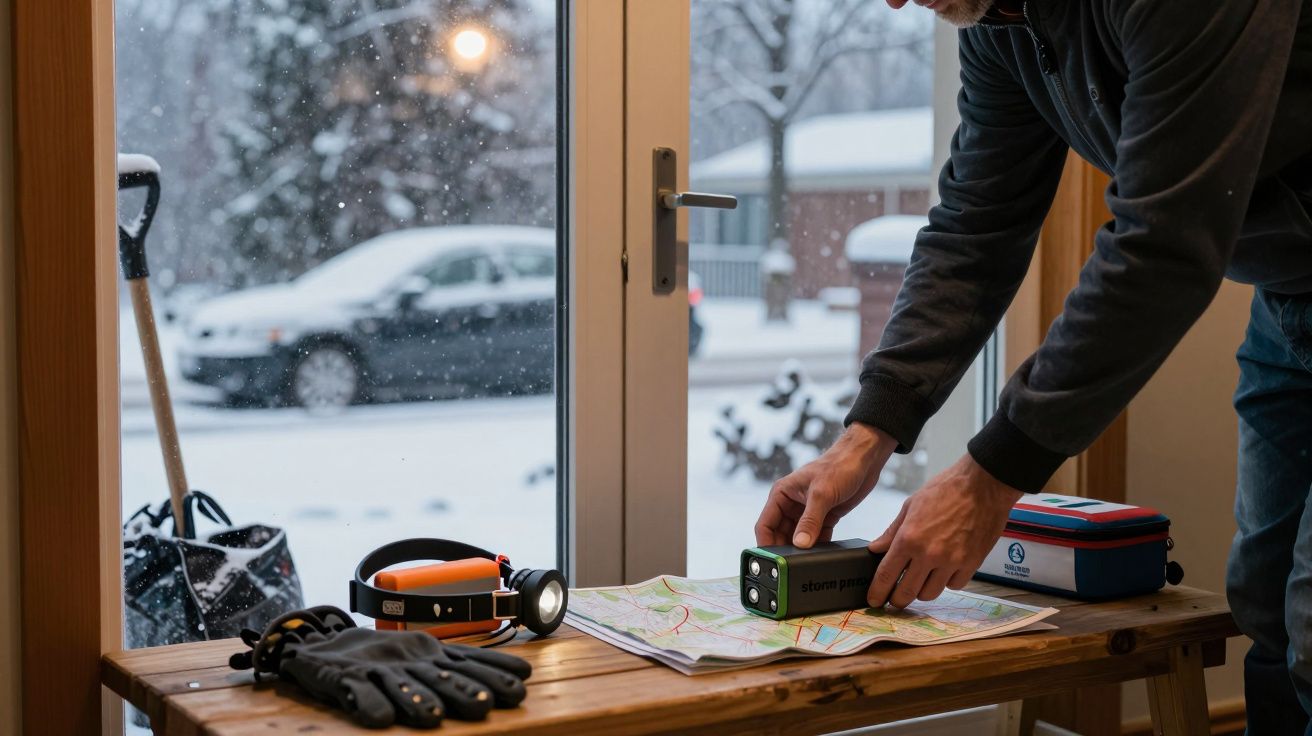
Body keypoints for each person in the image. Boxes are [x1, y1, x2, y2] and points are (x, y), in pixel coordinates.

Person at [753, 0, 1312, 731]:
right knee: (1267, 604)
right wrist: (869, 432)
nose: (894, 1)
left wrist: (990, 478)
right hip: (1290, 295)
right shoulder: (999, 25)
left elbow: (1163, 244)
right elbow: (975, 227)